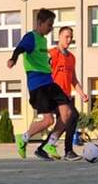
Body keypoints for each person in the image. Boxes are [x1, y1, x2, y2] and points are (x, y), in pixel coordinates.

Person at [7, 8, 74, 161]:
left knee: (67, 113)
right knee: (48, 120)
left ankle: (50, 144)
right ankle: (23, 138)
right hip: (38, 85)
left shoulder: (43, 40)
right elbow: (20, 48)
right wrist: (13, 59)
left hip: (49, 82)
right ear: (40, 23)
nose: (51, 28)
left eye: (52, 25)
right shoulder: (31, 37)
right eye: (49, 25)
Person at [48, 25, 90, 160]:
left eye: (71, 37)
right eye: (66, 36)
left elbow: (73, 79)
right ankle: (67, 151)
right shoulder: (51, 54)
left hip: (65, 96)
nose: (69, 39)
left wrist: (81, 93)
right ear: (59, 37)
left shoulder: (71, 57)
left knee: (67, 119)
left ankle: (49, 146)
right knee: (71, 115)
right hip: (53, 95)